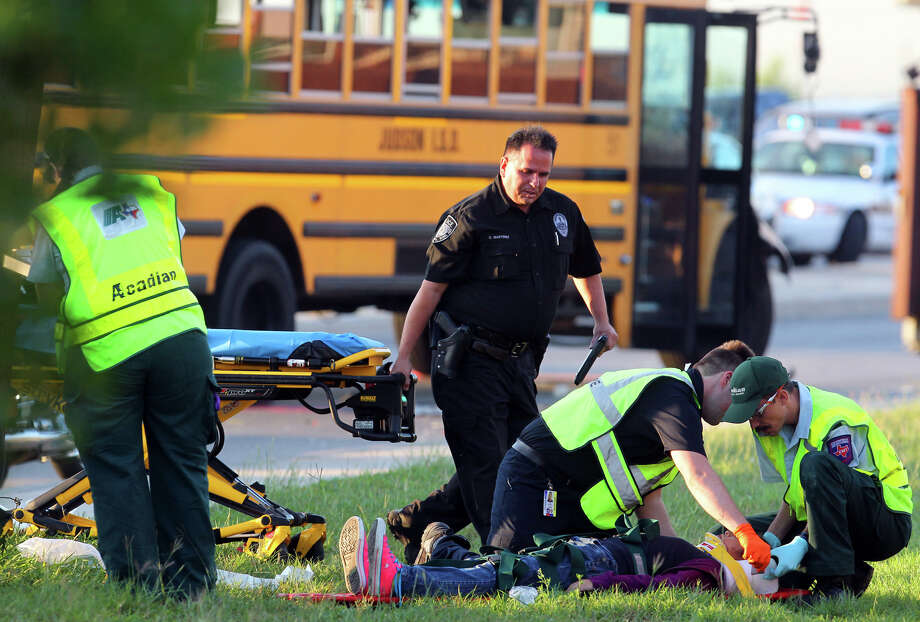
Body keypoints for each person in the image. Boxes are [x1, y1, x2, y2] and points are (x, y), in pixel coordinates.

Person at [387, 125, 618, 561]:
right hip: (469, 364)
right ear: (504, 164)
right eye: (527, 171)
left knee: (528, 459)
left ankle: (417, 522)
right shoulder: (470, 218)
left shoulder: (561, 214)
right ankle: (501, 557)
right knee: (488, 467)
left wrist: (601, 321)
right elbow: (429, 292)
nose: (534, 183)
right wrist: (402, 357)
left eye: (544, 174)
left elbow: (585, 268)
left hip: (521, 365)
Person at [26, 128, 217, 599]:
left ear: (56, 170)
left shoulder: (58, 216)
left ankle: (139, 593)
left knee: (118, 471)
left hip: (106, 356)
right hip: (183, 343)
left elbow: (47, 295)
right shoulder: (150, 194)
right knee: (183, 463)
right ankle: (191, 590)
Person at [487, 340, 773, 574]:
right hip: (537, 483)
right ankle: (442, 546)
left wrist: (682, 561)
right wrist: (743, 530)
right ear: (726, 380)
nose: (731, 418)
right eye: (738, 402)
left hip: (570, 498)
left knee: (571, 574)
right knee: (509, 575)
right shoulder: (672, 395)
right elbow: (698, 475)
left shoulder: (677, 402)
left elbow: (650, 504)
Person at [720, 356, 912, 601]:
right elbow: (797, 494)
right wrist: (769, 540)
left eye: (756, 412)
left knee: (815, 463)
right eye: (747, 417)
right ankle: (833, 577)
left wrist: (799, 543)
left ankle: (836, 586)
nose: (754, 423)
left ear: (782, 396)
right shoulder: (771, 427)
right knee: (734, 534)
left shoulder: (834, 419)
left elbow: (835, 495)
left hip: (885, 520)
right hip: (827, 516)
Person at [338, 516, 779, 599]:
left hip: (594, 566)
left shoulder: (708, 571)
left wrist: (598, 584)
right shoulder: (705, 558)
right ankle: (437, 553)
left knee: (501, 578)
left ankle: (396, 581)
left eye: (747, 541)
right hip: (588, 553)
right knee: (504, 569)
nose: (732, 531)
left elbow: (656, 585)